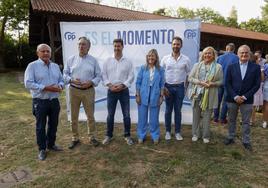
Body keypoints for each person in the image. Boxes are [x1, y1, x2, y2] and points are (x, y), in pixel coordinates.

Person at [24, 44, 64, 160]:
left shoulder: (55, 66)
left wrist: (60, 86)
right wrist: (46, 87)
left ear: (51, 53)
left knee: (53, 124)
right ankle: (42, 149)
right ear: (38, 53)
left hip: (54, 101)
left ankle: (51, 145)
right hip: (40, 101)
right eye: (43, 51)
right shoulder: (32, 66)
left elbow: (61, 80)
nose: (46, 53)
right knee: (41, 126)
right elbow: (28, 83)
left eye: (48, 51)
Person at [63, 37, 101, 149]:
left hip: (88, 91)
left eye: (84, 44)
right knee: (74, 116)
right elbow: (64, 74)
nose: (81, 46)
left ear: (88, 47)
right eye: (79, 44)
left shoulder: (93, 60)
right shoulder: (71, 59)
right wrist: (71, 80)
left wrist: (91, 82)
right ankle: (75, 138)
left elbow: (98, 76)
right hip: (74, 90)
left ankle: (92, 137)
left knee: (90, 116)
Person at [224, 45, 261, 151]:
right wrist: (235, 96)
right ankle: (230, 137)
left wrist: (244, 97)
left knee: (246, 122)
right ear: (237, 54)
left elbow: (256, 85)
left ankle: (246, 141)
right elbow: (227, 83)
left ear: (249, 54)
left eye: (246, 52)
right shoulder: (231, 66)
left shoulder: (256, 67)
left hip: (247, 99)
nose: (244, 54)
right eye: (242, 53)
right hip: (232, 98)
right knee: (231, 120)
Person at [102, 38, 135, 145]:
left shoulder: (128, 61)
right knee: (110, 115)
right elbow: (104, 75)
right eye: (115, 46)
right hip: (111, 91)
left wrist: (123, 85)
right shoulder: (107, 61)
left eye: (118, 46)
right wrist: (110, 86)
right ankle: (108, 135)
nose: (117, 48)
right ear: (113, 47)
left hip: (123, 91)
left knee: (126, 115)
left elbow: (131, 76)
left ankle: (127, 135)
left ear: (122, 46)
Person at [188, 46, 223, 143]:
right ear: (203, 55)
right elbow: (190, 78)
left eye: (209, 53)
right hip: (197, 94)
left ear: (213, 55)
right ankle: (195, 134)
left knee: (207, 116)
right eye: (205, 53)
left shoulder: (218, 67)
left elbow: (221, 81)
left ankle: (206, 136)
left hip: (210, 94)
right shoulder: (197, 65)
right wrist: (199, 82)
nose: (207, 55)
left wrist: (213, 84)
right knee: (196, 115)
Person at [161, 36, 191, 141]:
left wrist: (185, 88)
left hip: (180, 88)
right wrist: (163, 88)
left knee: (178, 111)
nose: (176, 46)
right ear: (171, 45)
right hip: (168, 87)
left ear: (181, 46)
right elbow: (161, 74)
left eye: (178, 44)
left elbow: (188, 74)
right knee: (168, 110)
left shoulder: (186, 59)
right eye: (174, 44)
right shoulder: (165, 59)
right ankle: (168, 132)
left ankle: (178, 132)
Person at [135, 49, 165, 144]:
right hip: (143, 94)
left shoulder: (160, 69)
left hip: (155, 95)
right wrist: (138, 95)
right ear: (147, 57)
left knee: (154, 118)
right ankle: (141, 135)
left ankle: (155, 135)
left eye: (153, 56)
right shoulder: (143, 68)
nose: (150, 58)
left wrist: (161, 96)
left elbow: (162, 84)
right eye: (149, 56)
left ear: (156, 58)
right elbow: (138, 82)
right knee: (142, 117)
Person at [213, 43, 239, 124]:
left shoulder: (220, 57)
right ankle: (222, 118)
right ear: (234, 49)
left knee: (217, 100)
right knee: (225, 101)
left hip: (219, 81)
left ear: (226, 48)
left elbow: (214, 70)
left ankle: (215, 117)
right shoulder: (237, 58)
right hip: (229, 82)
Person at [262, 64, 268, 128]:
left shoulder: (266, 65)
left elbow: (263, 78)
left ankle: (265, 121)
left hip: (267, 84)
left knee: (266, 104)